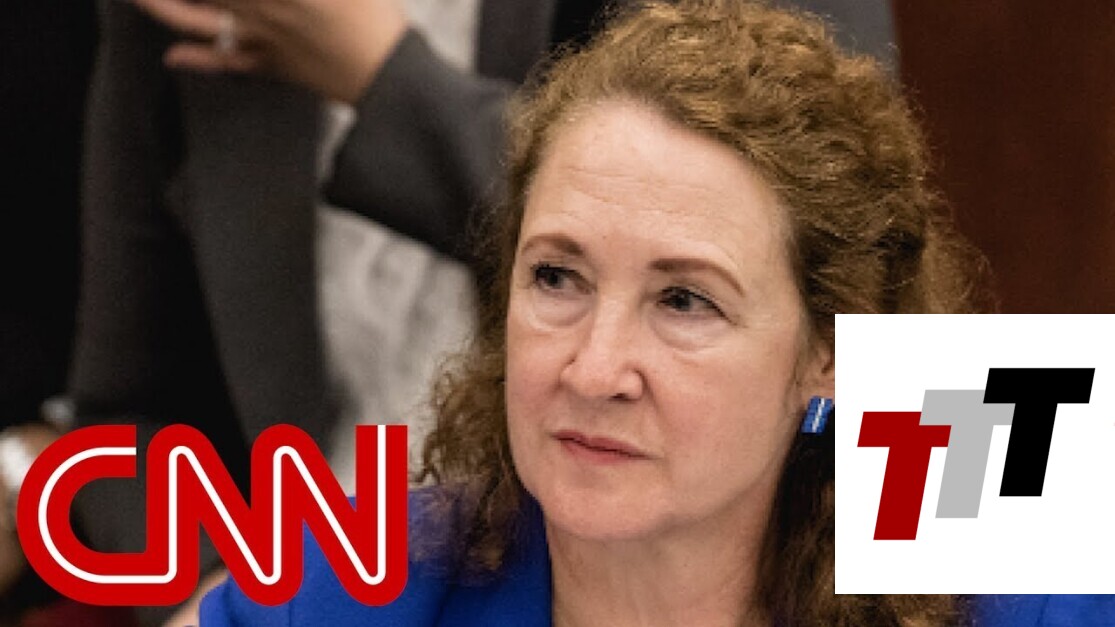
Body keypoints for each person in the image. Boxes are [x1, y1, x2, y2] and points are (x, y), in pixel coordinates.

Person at [195, 1, 1115, 624]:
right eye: (557, 277)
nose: (592, 370)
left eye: (684, 300)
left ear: (831, 350)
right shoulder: (343, 581)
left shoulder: (1026, 558)